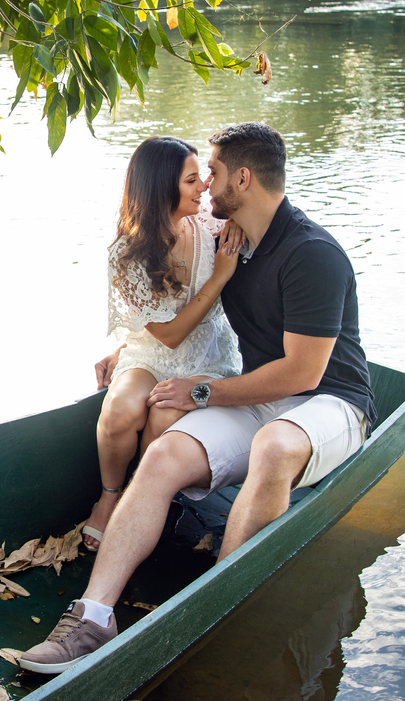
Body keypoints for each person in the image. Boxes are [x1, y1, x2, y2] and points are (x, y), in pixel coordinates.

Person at [17, 121, 377, 675]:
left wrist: (202, 390)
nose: (205, 185)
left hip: (333, 402)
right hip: (261, 393)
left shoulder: (313, 254)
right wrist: (126, 346)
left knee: (275, 447)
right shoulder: (230, 238)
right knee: (161, 456)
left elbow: (304, 374)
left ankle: (219, 609)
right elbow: (167, 296)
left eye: (211, 172)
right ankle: (91, 618)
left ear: (243, 177)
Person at [84, 135, 243, 553]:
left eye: (201, 177)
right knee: (119, 408)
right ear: (161, 189)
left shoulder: (213, 228)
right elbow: (169, 335)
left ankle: (142, 497)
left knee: (163, 415)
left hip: (208, 353)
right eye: (192, 180)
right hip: (153, 352)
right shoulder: (127, 255)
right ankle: (110, 496)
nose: (204, 186)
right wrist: (219, 278)